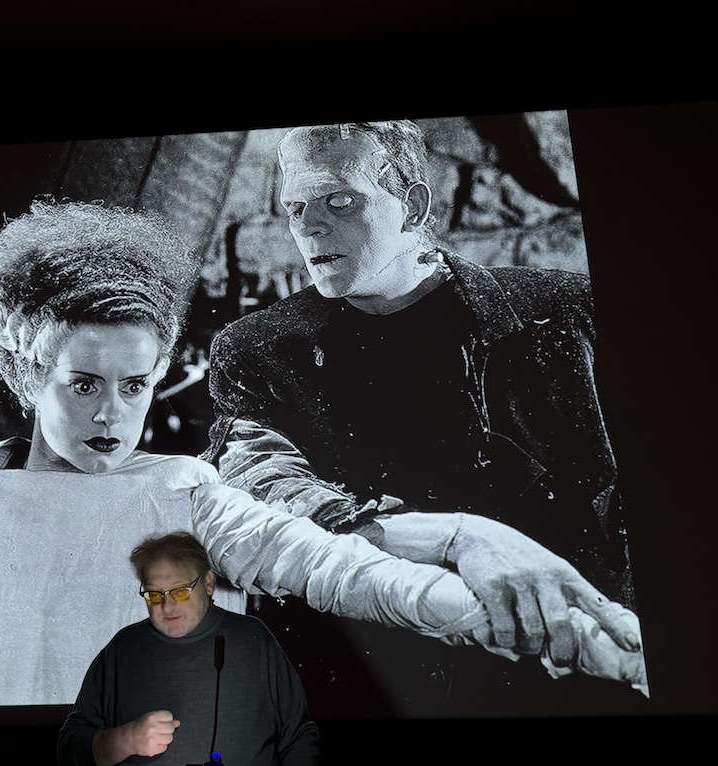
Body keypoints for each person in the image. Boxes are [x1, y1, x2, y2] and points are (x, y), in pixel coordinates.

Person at [0, 199, 644, 709]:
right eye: (83, 384)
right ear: (26, 376)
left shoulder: (183, 492)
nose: (113, 413)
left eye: (135, 385)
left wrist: (558, 627)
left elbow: (347, 570)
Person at [204, 121, 644, 713]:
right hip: (381, 687)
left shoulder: (568, 313)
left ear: (412, 205)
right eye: (296, 208)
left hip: (582, 669)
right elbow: (264, 493)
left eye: (339, 201)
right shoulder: (258, 349)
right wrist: (458, 537)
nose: (309, 227)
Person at [59, 531, 317, 766]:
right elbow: (70, 750)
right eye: (154, 595)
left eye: (180, 591)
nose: (167, 606)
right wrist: (124, 739)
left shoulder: (254, 640)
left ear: (208, 584)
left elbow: (298, 737)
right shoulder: (122, 650)